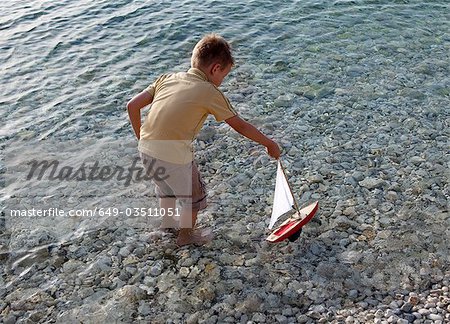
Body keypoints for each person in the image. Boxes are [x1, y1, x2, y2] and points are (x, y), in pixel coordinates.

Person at [127, 33, 280, 246]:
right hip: (175, 155)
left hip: (146, 149)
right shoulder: (209, 91)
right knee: (193, 197)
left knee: (165, 190)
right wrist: (269, 143)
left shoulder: (167, 78)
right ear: (215, 69)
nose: (222, 81)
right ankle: (185, 237)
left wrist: (142, 137)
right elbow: (241, 125)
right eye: (224, 75)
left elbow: (132, 106)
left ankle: (167, 227)